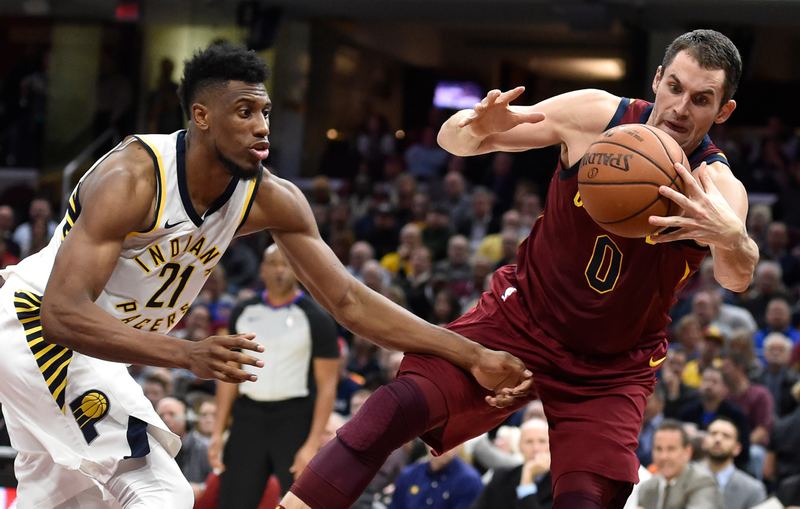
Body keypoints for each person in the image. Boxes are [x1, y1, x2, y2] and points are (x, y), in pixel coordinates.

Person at [0, 42, 530, 509]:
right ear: (202, 116)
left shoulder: (271, 198)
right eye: (245, 111)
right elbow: (61, 314)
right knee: (160, 491)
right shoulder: (133, 178)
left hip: (99, 354)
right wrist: (185, 353)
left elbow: (348, 301)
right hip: (34, 329)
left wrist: (471, 353)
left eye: (266, 112)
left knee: (66, 503)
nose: (262, 126)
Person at [279, 29, 757, 509]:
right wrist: (478, 124)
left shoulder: (714, 186)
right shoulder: (596, 115)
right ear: (657, 79)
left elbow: (737, 276)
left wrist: (730, 236)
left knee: (586, 498)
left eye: (701, 99)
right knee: (392, 410)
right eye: (674, 87)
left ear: (723, 111)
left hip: (610, 365)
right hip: (521, 318)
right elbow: (456, 143)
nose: (679, 107)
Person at [210, 243, 340, 506]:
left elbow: (327, 386)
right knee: (233, 501)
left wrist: (312, 443)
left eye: (287, 264)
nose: (280, 270)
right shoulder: (243, 311)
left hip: (295, 419)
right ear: (262, 270)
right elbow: (229, 375)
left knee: (302, 502)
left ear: (298, 271)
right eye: (274, 263)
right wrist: (217, 432)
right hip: (248, 418)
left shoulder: (316, 318)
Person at [469, 417, 553, 509]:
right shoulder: (501, 477)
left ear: (552, 446)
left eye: (542, 441)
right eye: (529, 442)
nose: (535, 448)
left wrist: (527, 477)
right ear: (519, 446)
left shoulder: (561, 484)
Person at [637, 419, 723, 509]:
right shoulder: (647, 488)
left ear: (687, 452)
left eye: (671, 449)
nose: (663, 457)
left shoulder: (703, 481)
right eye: (658, 449)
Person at [389, 445, 483, 509]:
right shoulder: (410, 473)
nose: (442, 446)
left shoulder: (469, 482)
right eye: (437, 438)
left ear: (459, 446)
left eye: (450, 441)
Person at [703, 418, 767, 509]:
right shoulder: (684, 476)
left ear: (737, 448)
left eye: (726, 436)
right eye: (713, 434)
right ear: (704, 442)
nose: (718, 439)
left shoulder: (753, 490)